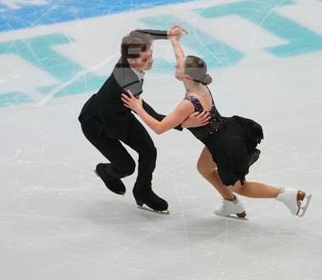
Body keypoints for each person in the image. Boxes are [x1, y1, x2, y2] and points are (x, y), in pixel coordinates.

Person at [122, 32, 310, 219]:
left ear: (186, 76)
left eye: (178, 67)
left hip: (226, 144)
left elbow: (159, 127)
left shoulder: (188, 102)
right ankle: (231, 204)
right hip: (223, 133)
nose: (175, 64)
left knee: (239, 186)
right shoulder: (197, 82)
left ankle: (286, 195)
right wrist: (173, 41)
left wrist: (138, 107)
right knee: (204, 169)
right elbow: (182, 58)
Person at [79, 25, 209, 214]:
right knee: (127, 167)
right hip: (96, 125)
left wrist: (167, 34)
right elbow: (152, 116)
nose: (151, 61)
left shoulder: (130, 51)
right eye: (145, 59)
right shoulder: (128, 84)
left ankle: (143, 192)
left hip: (120, 115)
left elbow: (140, 34)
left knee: (148, 151)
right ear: (130, 61)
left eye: (150, 55)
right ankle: (105, 172)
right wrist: (184, 123)